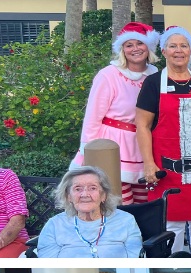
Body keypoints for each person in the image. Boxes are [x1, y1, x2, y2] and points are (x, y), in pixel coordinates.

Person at [136, 26, 191, 258]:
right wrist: (148, 163)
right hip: (167, 171)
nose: (179, 51)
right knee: (171, 229)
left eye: (184, 45)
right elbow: (143, 126)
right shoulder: (154, 83)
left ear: (190, 51)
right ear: (164, 51)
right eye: (173, 46)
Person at [72, 23, 159, 205]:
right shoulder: (109, 75)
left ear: (148, 47)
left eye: (139, 43)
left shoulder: (155, 75)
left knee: (145, 203)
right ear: (122, 50)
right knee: (120, 203)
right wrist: (87, 149)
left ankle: (142, 235)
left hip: (143, 145)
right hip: (114, 145)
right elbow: (93, 116)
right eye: (129, 45)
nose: (135, 49)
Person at [38, 166, 142, 258]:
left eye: (92, 188)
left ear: (103, 195)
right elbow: (48, 265)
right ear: (69, 196)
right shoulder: (54, 225)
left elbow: (135, 259)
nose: (85, 194)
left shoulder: (126, 221)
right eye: (78, 189)